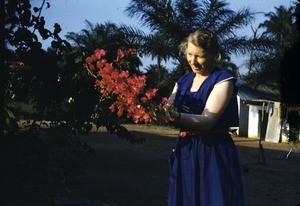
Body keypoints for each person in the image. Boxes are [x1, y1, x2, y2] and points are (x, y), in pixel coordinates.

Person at [162, 29, 244, 206]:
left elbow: (207, 121)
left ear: (214, 55)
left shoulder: (223, 81)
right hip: (186, 149)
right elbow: (167, 108)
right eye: (189, 54)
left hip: (212, 152)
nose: (193, 61)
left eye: (200, 56)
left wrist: (175, 116)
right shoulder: (182, 81)